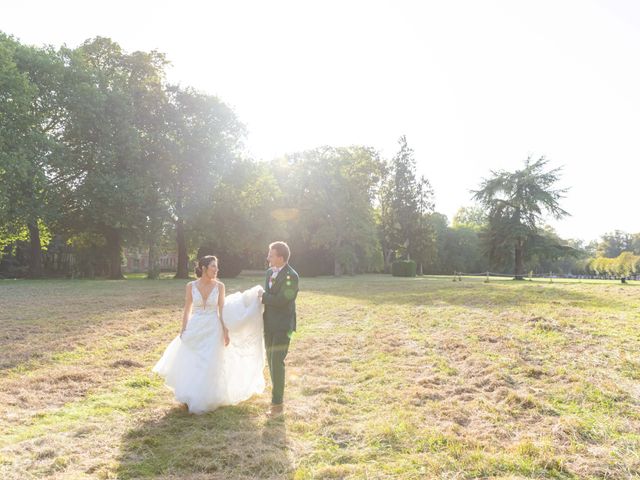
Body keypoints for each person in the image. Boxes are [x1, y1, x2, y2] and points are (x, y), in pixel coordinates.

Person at [153, 255, 265, 413]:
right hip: (195, 326)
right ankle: (190, 395)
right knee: (193, 361)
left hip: (213, 327)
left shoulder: (220, 286)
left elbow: (221, 311)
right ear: (203, 268)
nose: (216, 270)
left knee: (210, 362)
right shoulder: (190, 285)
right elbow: (187, 309)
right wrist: (183, 329)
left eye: (216, 266)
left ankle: (207, 397)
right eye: (213, 266)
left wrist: (225, 331)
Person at [258, 241, 299, 417]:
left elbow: (283, 299)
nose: (268, 257)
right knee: (270, 360)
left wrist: (263, 297)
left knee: (277, 362)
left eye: (271, 254)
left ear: (280, 258)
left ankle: (277, 405)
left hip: (283, 326)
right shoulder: (269, 272)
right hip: (268, 323)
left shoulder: (292, 276)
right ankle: (277, 398)